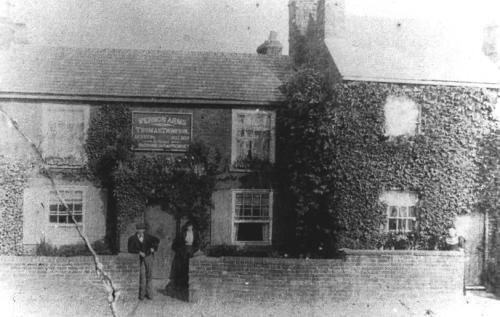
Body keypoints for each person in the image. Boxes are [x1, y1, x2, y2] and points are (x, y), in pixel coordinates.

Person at [166, 221, 199, 301]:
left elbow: (198, 243)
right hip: (183, 252)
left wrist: (194, 250)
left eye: (190, 226)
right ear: (186, 227)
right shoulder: (183, 233)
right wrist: (180, 250)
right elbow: (176, 244)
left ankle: (188, 285)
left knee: (190, 268)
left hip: (191, 251)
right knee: (182, 269)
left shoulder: (195, 233)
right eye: (188, 226)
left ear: (192, 227)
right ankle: (182, 286)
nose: (189, 228)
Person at [128, 223, 160, 300]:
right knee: (142, 276)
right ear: (137, 230)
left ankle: (149, 294)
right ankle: (141, 295)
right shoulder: (132, 238)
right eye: (139, 229)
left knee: (149, 275)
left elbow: (157, 240)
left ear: (144, 230)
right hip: (140, 259)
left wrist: (153, 248)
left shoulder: (148, 236)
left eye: (142, 229)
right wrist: (139, 252)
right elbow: (130, 249)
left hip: (149, 257)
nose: (141, 231)